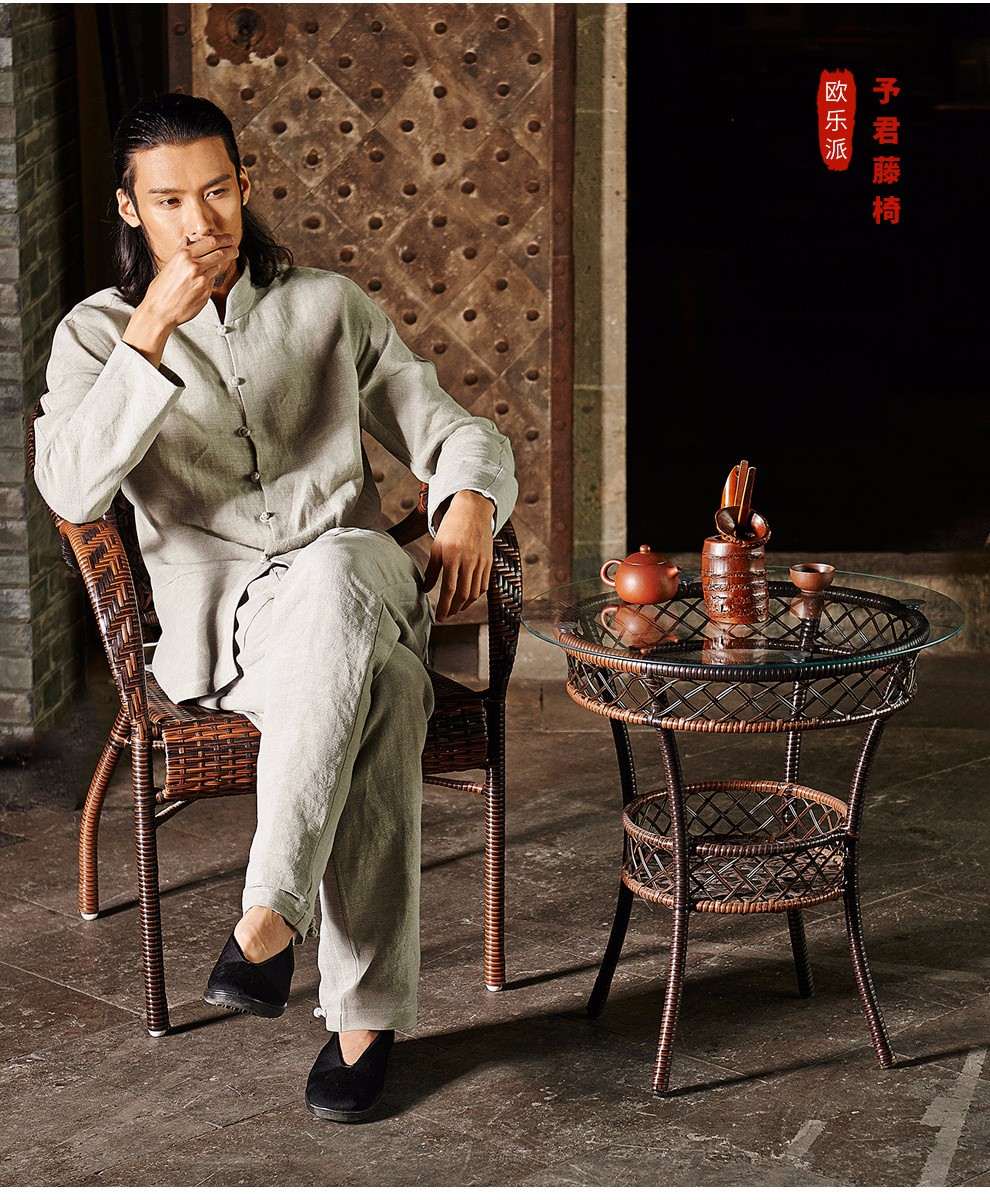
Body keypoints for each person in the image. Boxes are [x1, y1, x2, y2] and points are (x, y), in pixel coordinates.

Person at [31, 92, 518, 1122]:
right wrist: (152, 331)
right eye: (170, 201)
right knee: (387, 689)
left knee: (340, 567)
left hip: (359, 579)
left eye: (216, 193)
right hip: (230, 636)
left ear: (245, 188)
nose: (199, 222)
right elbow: (69, 489)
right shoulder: (96, 335)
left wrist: (471, 498)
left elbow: (453, 427)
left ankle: (267, 920)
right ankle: (364, 1016)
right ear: (130, 208)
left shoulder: (329, 306)